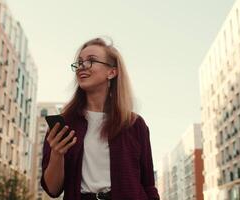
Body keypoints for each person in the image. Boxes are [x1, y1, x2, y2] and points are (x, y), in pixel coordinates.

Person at [41, 37, 160, 200]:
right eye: (79, 62)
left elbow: (148, 185)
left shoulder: (134, 124)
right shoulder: (64, 124)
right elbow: (52, 190)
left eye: (91, 61)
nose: (82, 66)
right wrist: (57, 153)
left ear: (112, 72)